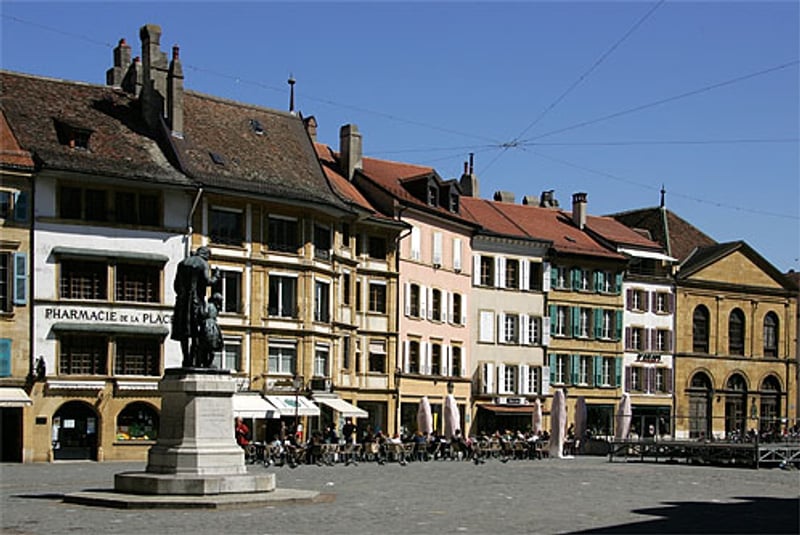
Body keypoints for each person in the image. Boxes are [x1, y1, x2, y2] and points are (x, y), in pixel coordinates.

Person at [171, 246, 219, 368]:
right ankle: (194, 360)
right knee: (197, 332)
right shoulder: (203, 264)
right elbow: (208, 281)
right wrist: (216, 276)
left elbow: (176, 285)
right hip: (197, 302)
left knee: (184, 332)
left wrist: (183, 295)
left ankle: (186, 359)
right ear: (206, 255)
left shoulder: (182, 263)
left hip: (182, 302)